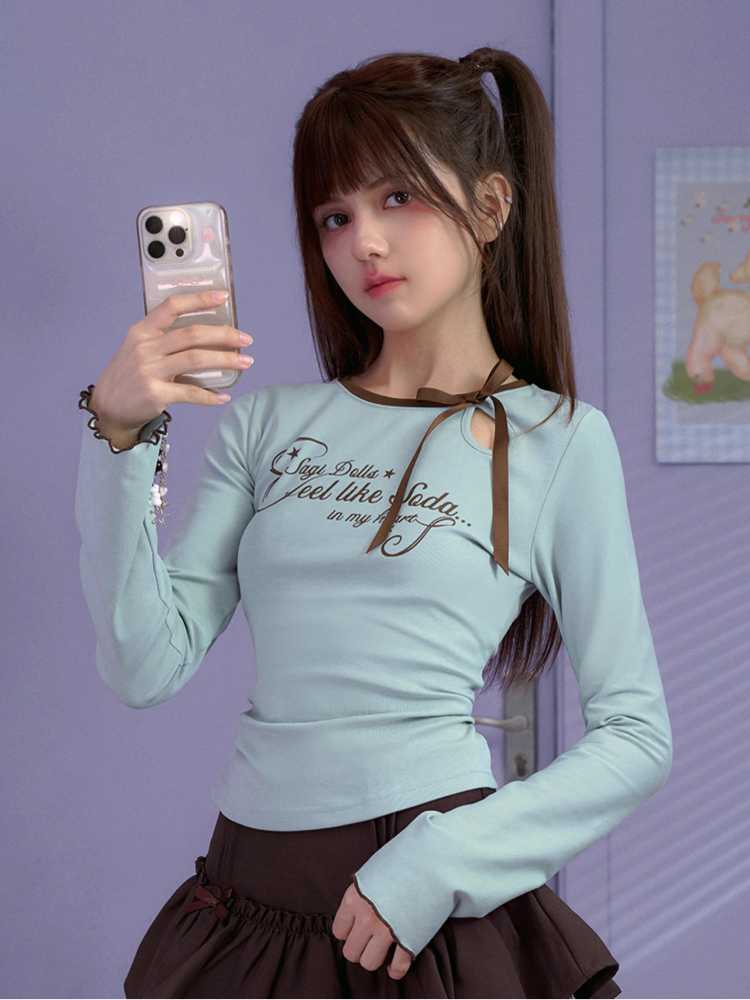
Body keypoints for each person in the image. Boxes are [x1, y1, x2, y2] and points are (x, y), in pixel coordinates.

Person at [74, 46, 672, 998]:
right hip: (247, 892)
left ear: (490, 206)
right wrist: (118, 433)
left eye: (399, 197)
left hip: (424, 903)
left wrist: (443, 861)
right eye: (335, 216)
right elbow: (143, 663)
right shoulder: (268, 427)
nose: (365, 243)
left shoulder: (558, 442)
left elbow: (637, 734)